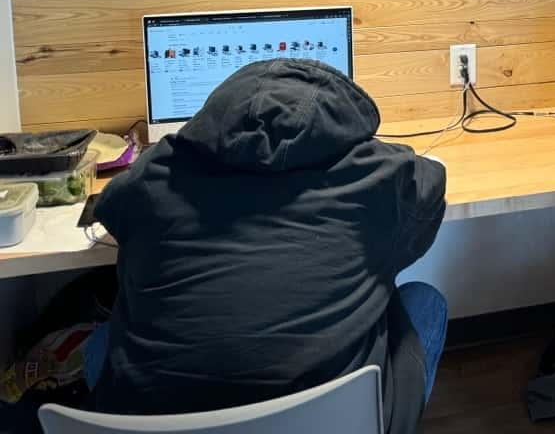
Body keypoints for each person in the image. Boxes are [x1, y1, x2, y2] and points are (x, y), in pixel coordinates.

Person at [83, 59, 448, 434]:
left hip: (156, 424)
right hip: (332, 424)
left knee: (101, 341)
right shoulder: (378, 173)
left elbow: (111, 210)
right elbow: (431, 183)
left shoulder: (157, 170)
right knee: (421, 300)